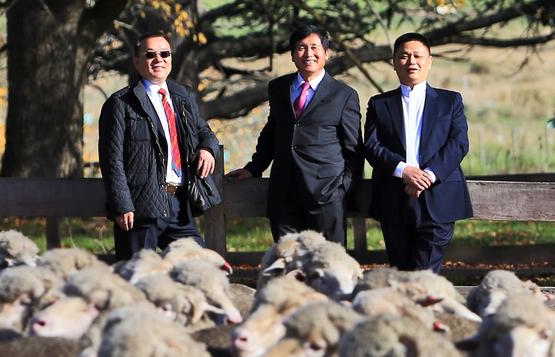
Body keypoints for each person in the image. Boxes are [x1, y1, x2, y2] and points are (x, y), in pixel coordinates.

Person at [226, 25, 363, 246]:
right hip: (284, 192)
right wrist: (254, 168)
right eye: (301, 48)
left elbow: (354, 148)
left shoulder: (344, 95)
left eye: (314, 47)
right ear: (292, 55)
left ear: (326, 54)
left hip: (325, 195)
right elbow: (272, 132)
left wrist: (343, 190)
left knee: (328, 266)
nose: (308, 54)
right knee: (288, 264)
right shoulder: (279, 88)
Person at [99, 32, 219, 261]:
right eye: (150, 54)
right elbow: (111, 159)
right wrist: (122, 205)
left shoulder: (181, 96)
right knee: (136, 280)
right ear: (136, 61)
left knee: (202, 267)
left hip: (179, 206)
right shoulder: (120, 103)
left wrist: (207, 148)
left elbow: (205, 132)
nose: (159, 59)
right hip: (140, 208)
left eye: (165, 54)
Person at [364, 32, 473, 273]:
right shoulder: (379, 104)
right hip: (394, 198)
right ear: (394, 62)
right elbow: (371, 146)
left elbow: (458, 143)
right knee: (400, 272)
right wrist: (405, 171)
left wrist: (428, 176)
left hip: (438, 197)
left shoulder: (450, 101)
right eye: (403, 56)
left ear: (429, 61)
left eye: (417, 56)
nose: (411, 61)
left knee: (424, 273)